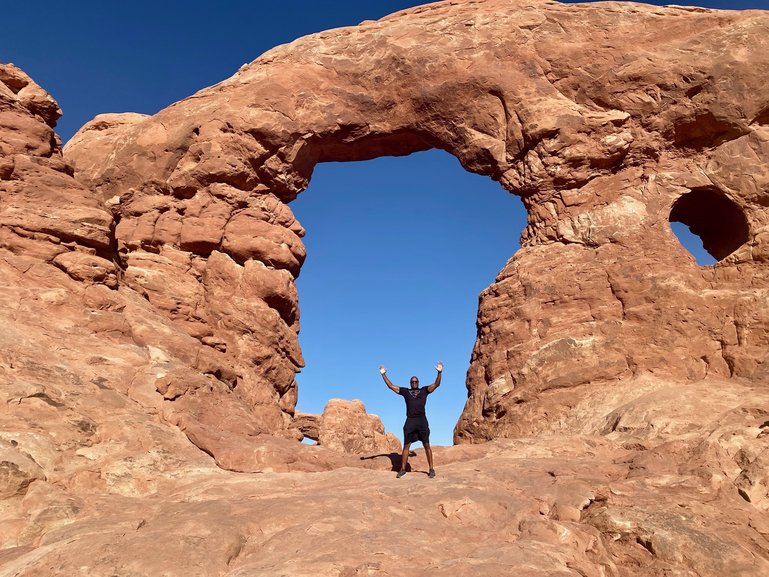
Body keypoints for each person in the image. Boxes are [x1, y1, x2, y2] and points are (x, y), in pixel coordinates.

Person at [379, 362, 442, 478]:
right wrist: (383, 374)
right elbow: (391, 386)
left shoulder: (424, 390)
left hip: (422, 420)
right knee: (406, 445)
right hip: (410, 421)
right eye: (412, 382)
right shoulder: (405, 391)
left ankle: (431, 469)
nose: (414, 383)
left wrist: (439, 372)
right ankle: (402, 469)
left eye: (416, 381)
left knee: (426, 444)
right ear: (410, 383)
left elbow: (437, 384)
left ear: (418, 383)